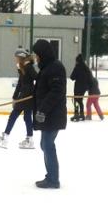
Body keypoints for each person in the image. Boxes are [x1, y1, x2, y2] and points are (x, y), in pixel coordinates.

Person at [31, 39, 67, 189]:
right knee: (45, 144)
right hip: (49, 114)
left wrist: (42, 110)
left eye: (37, 54)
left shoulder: (55, 68)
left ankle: (53, 179)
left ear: (43, 53)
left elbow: (56, 91)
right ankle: (51, 176)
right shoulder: (47, 67)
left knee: (47, 144)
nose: (35, 57)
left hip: (53, 114)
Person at [0, 47, 38, 149]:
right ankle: (29, 140)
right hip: (24, 97)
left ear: (21, 57)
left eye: (16, 57)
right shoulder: (22, 67)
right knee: (26, 118)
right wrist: (14, 97)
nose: (15, 59)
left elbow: (37, 79)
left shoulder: (28, 67)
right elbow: (20, 83)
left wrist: (33, 93)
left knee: (14, 116)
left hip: (27, 98)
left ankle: (5, 138)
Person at [69, 54, 90, 122]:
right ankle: (82, 114)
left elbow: (72, 77)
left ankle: (76, 114)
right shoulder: (86, 68)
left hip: (78, 87)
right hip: (84, 87)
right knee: (80, 100)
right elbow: (89, 77)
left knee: (76, 100)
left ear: (77, 61)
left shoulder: (77, 67)